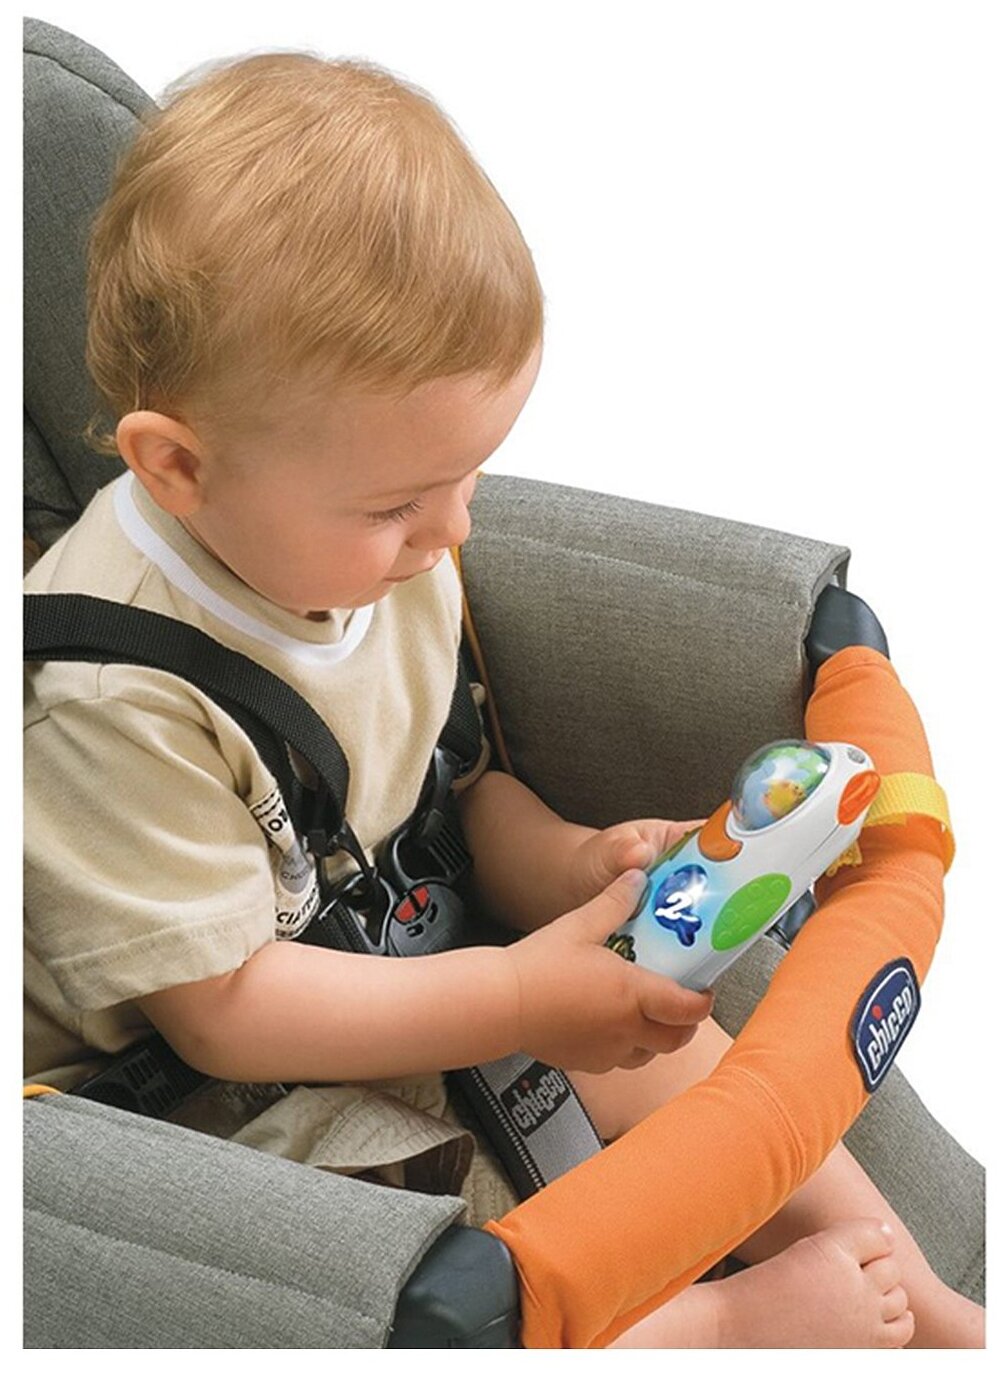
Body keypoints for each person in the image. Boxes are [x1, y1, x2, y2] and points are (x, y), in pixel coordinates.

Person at [23, 50, 982, 1350]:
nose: (454, 533)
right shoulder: (109, 700)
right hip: (196, 1100)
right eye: (399, 504)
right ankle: (719, 1327)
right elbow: (226, 1012)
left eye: (469, 477)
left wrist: (573, 863)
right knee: (427, 1248)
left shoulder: (380, 558)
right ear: (179, 468)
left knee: (664, 1044)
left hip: (384, 958)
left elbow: (449, 799)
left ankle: (930, 1297)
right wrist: (516, 996)